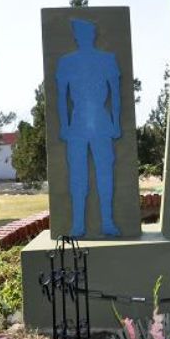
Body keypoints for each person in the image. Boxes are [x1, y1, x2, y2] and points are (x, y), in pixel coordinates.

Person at [55, 18, 121, 237]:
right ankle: (78, 224)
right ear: (76, 37)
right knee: (77, 176)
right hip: (78, 123)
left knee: (105, 173)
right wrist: (64, 126)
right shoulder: (67, 62)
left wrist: (116, 122)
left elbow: (116, 93)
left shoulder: (107, 59)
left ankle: (108, 222)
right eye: (80, 35)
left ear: (91, 36)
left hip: (102, 121)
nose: (84, 38)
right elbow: (61, 97)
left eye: (87, 34)